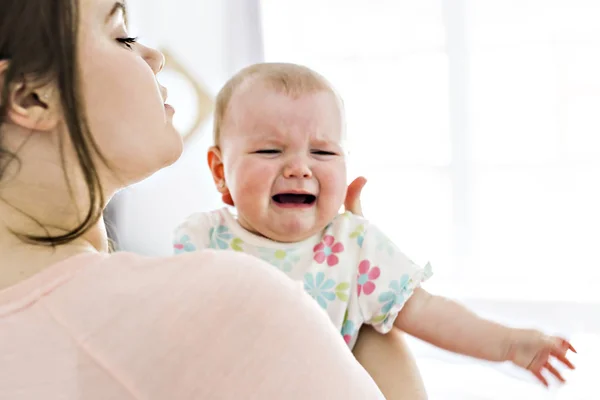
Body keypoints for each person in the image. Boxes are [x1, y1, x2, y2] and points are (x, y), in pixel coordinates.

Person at [0, 1, 424, 398]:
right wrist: (362, 289)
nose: (153, 57)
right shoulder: (227, 304)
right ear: (30, 97)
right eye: (121, 37)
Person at [174, 62, 577, 398]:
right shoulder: (203, 239)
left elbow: (424, 310)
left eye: (323, 151)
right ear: (220, 171)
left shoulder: (353, 246)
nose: (299, 167)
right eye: (269, 150)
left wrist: (508, 343)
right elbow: (171, 326)